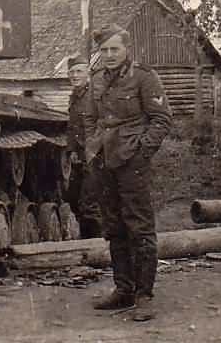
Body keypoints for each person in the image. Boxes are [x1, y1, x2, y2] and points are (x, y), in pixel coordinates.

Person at [84, 23, 172, 322]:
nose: (108, 55)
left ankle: (144, 296)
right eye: (104, 50)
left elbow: (161, 120)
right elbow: (91, 119)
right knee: (113, 227)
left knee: (140, 228)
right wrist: (91, 149)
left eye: (114, 49)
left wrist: (140, 153)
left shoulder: (144, 77)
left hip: (131, 163)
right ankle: (123, 290)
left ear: (126, 49)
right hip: (104, 162)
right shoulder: (96, 80)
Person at [66, 55, 102, 238]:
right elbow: (72, 126)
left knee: (90, 202)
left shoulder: (94, 95)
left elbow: (101, 125)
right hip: (80, 155)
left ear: (88, 72)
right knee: (73, 198)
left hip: (95, 155)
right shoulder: (74, 97)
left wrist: (93, 151)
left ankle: (96, 246)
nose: (74, 75)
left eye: (79, 71)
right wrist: (71, 150)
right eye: (71, 72)